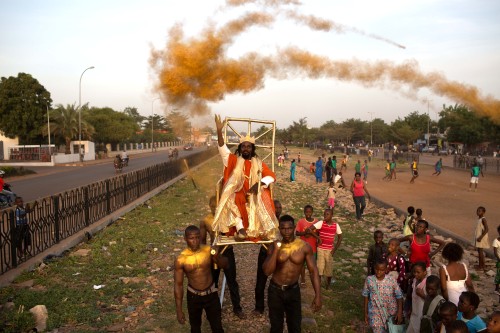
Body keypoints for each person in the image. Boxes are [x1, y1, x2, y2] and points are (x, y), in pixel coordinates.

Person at [213, 114, 278, 241]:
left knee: (261, 196)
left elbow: (271, 176)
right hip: (238, 191)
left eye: (248, 146)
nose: (246, 148)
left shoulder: (258, 163)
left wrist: (258, 184)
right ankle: (240, 229)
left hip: (254, 192)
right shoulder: (232, 160)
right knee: (232, 196)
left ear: (252, 149)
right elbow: (222, 147)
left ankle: (260, 229)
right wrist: (219, 131)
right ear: (240, 148)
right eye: (243, 146)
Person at [262, 215, 322, 333]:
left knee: (295, 327)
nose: (286, 231)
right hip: (275, 291)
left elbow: (313, 271)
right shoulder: (273, 246)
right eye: (283, 229)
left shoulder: (304, 247)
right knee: (276, 327)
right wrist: (276, 251)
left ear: (294, 228)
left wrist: (318, 295)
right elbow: (267, 271)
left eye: (289, 228)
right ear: (279, 229)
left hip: (293, 291)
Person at [174, 225, 227, 333]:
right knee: (195, 328)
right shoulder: (181, 259)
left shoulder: (208, 251)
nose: (195, 241)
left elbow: (225, 265)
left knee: (217, 328)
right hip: (194, 297)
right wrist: (179, 310)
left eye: (197, 237)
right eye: (191, 238)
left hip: (211, 294)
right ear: (185, 239)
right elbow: (178, 285)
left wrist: (217, 256)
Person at [200, 196, 245, 319]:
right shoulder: (206, 220)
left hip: (227, 252)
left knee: (232, 281)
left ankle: (237, 308)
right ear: (209, 206)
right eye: (212, 206)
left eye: (217, 206)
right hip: (214, 254)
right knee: (212, 282)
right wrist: (205, 256)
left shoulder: (228, 218)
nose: (215, 209)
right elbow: (202, 241)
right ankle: (212, 309)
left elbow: (239, 230)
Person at [254, 200, 282, 315]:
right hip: (265, 252)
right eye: (276, 207)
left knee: (279, 281)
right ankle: (259, 308)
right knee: (261, 281)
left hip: (279, 254)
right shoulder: (265, 222)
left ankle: (278, 308)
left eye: (280, 207)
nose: (279, 209)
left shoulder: (283, 222)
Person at [362, 259, 404, 333]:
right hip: (375, 312)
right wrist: (365, 313)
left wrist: (399, 311)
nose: (378, 272)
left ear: (386, 269)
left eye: (381, 270)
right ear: (374, 268)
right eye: (376, 269)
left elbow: (399, 295)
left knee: (392, 330)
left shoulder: (391, 280)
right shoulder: (369, 280)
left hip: (391, 312)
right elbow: (365, 296)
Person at [310, 208, 343, 289]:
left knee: (329, 270)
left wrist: (334, 250)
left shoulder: (336, 225)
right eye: (324, 214)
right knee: (320, 269)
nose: (325, 216)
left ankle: (328, 285)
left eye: (327, 214)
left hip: (330, 251)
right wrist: (318, 237)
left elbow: (340, 237)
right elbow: (309, 229)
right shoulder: (321, 223)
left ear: (332, 215)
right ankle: (319, 285)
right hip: (320, 249)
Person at [295, 205, 320, 286]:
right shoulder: (301, 221)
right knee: (302, 264)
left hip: (313, 248)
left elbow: (319, 233)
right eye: (306, 212)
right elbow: (297, 233)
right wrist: (305, 233)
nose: (308, 214)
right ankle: (302, 279)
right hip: (303, 248)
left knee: (312, 265)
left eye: (309, 212)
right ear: (304, 212)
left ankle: (313, 278)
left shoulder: (316, 222)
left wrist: (311, 234)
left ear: (312, 212)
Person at [407, 261, 428, 333]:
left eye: (418, 272)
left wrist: (423, 295)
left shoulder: (427, 283)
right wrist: (410, 309)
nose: (415, 274)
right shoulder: (415, 281)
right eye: (414, 272)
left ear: (425, 272)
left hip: (421, 315)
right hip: (414, 313)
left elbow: (431, 300)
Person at [474, 206, 490, 270]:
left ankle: (481, 266)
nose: (478, 212)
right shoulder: (479, 219)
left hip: (481, 238)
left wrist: (480, 237)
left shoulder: (483, 219)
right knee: (479, 251)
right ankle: (482, 265)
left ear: (483, 212)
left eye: (479, 211)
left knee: (480, 251)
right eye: (477, 211)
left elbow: (486, 229)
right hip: (479, 237)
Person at [493, 225, 500, 298]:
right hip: (499, 261)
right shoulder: (496, 241)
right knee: (498, 275)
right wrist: (498, 258)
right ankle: (496, 288)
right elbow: (495, 252)